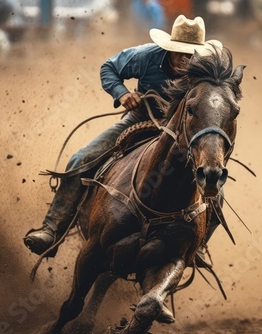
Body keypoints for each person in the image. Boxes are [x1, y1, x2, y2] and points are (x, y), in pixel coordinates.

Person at [23, 15, 223, 257]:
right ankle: (52, 229)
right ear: (170, 48)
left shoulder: (204, 69)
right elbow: (109, 67)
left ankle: (197, 246)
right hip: (141, 119)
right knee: (81, 159)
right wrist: (122, 93)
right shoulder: (145, 56)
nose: (186, 59)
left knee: (216, 190)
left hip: (183, 133)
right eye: (181, 52)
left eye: (191, 54)